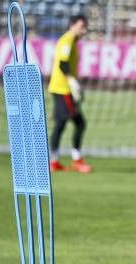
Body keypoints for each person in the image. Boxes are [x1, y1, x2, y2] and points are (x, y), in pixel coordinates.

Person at [48, 14, 93, 174]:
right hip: (63, 89)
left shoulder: (72, 41)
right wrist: (73, 83)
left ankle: (56, 161)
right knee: (70, 123)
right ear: (72, 25)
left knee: (69, 124)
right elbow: (62, 63)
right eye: (81, 26)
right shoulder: (67, 40)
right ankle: (72, 161)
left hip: (63, 88)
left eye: (85, 26)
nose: (84, 30)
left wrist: (76, 83)